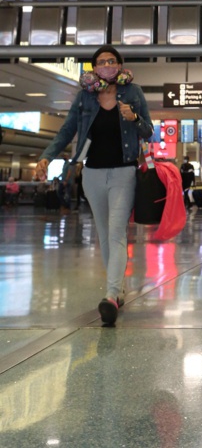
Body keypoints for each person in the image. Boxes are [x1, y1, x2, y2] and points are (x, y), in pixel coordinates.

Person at [34, 46, 153, 326]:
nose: (107, 65)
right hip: (92, 174)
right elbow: (67, 131)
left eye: (112, 61)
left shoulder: (133, 93)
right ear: (93, 68)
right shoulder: (84, 97)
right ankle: (118, 288)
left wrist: (133, 118)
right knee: (104, 233)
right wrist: (46, 157)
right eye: (101, 62)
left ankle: (111, 295)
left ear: (120, 65)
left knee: (116, 232)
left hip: (124, 172)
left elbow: (149, 130)